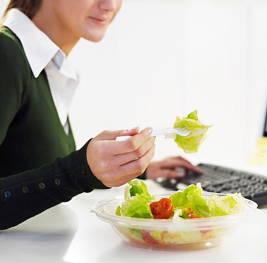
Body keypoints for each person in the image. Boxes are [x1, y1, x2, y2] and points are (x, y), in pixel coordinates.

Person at [0, 0, 202, 230]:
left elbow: (27, 173)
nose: (110, 5)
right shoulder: (6, 54)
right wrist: (80, 171)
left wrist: (126, 169)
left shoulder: (45, 67)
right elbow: (65, 175)